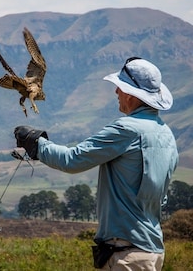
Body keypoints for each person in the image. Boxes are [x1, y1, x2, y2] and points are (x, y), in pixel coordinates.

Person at [14, 57, 178, 270]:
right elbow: (160, 198)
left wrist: (36, 144)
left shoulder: (127, 130)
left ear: (130, 94)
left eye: (119, 87)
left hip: (126, 252)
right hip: (151, 250)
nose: (116, 92)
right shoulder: (166, 135)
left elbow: (73, 161)